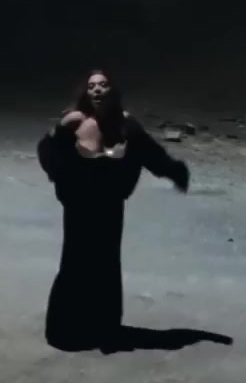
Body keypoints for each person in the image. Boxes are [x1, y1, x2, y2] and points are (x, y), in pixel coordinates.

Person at [36, 70, 190, 351]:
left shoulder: (126, 125)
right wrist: (60, 132)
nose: (97, 90)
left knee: (105, 265)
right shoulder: (74, 121)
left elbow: (150, 152)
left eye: (103, 85)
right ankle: (64, 332)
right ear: (85, 92)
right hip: (80, 206)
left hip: (109, 205)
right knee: (76, 264)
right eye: (92, 86)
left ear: (112, 91)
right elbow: (48, 151)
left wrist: (174, 171)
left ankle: (102, 328)